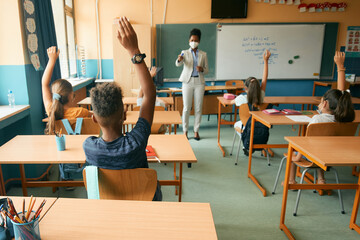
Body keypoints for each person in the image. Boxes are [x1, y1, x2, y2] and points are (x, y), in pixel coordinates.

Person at [83, 16, 162, 201]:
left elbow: (148, 95)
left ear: (94, 118)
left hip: (110, 207)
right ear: (124, 115)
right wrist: (133, 51)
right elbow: (149, 95)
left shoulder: (89, 147)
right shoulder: (136, 142)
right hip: (144, 204)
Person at [286, 51, 355, 185]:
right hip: (333, 154)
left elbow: (306, 142)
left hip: (315, 154)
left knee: (293, 148)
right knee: (320, 146)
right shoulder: (343, 118)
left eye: (320, 101)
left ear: (325, 104)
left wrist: (297, 157)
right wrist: (340, 67)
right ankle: (321, 179)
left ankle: (291, 181)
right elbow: (341, 94)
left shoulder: (317, 120)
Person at [42, 46, 91, 183]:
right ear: (72, 96)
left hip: (62, 153)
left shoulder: (51, 110)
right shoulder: (82, 112)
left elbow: (44, 84)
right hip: (82, 152)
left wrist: (51, 61)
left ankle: (66, 180)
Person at [175, 28, 209, 140]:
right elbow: (178, 64)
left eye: (195, 40)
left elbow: (207, 70)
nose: (193, 41)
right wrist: (179, 59)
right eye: (192, 39)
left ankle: (196, 131)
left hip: (199, 82)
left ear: (199, 41)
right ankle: (185, 131)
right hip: (187, 82)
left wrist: (202, 69)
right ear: (189, 40)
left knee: (198, 108)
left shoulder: (203, 54)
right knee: (186, 107)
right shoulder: (184, 52)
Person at [231, 49, 271, 130]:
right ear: (257, 87)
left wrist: (234, 97)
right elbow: (265, 78)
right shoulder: (261, 96)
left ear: (245, 88)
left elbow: (231, 102)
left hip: (247, 128)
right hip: (260, 126)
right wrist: (266, 61)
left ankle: (246, 140)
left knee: (236, 124)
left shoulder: (241, 98)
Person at [137, 66, 167, 134]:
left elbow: (140, 92)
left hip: (144, 131)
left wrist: (149, 76)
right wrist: (155, 97)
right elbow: (165, 104)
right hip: (158, 130)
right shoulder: (159, 104)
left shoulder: (141, 104)